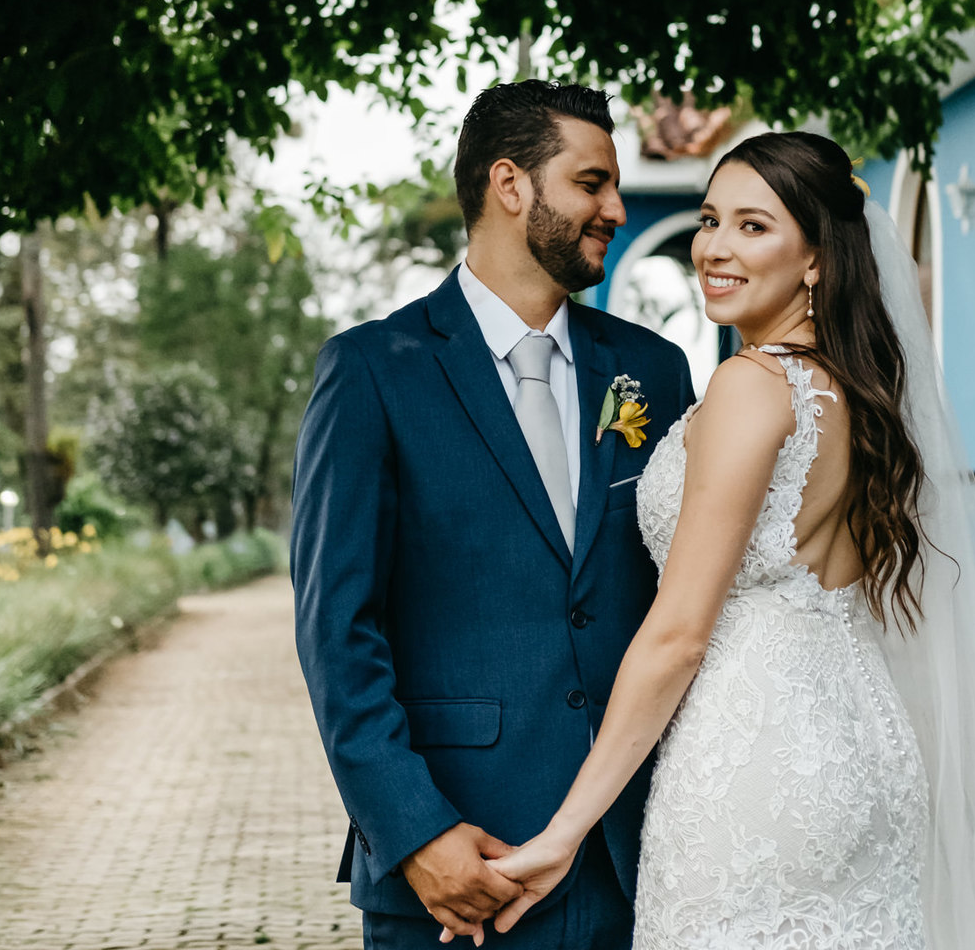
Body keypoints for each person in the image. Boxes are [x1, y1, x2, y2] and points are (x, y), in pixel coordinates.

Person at [470, 131, 975, 950]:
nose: (714, 247)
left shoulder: (750, 386)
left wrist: (563, 833)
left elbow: (680, 636)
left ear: (817, 259)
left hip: (754, 761)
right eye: (711, 219)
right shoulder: (860, 392)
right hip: (866, 748)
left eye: (754, 227)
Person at [290, 80, 696, 950]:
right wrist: (415, 833)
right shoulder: (372, 372)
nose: (615, 208)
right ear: (511, 185)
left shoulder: (654, 374)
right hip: (459, 872)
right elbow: (336, 633)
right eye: (592, 183)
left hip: (637, 859)